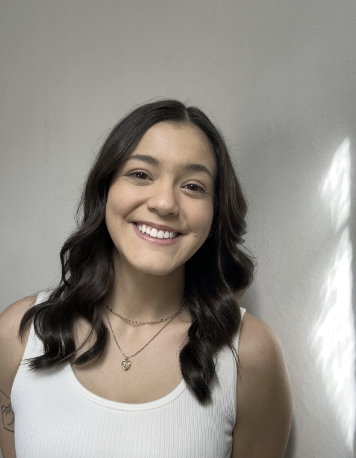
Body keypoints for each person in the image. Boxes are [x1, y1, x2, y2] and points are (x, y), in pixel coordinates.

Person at [0, 99, 292, 458]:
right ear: (105, 190)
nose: (165, 203)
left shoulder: (251, 353)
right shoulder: (19, 333)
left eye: (193, 186)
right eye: (141, 174)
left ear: (215, 214)